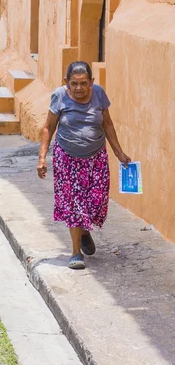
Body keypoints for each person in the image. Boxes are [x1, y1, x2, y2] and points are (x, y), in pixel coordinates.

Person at [37, 61, 131, 270]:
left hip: (96, 158)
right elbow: (48, 127)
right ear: (66, 83)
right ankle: (75, 252)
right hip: (67, 158)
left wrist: (119, 152)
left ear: (92, 82)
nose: (79, 88)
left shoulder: (98, 94)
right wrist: (42, 158)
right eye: (74, 83)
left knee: (97, 203)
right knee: (73, 205)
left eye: (84, 83)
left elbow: (107, 123)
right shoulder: (59, 96)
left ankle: (85, 231)